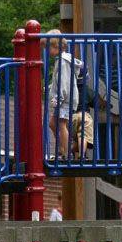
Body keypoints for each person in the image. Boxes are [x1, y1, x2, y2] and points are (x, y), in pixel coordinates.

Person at [44, 30, 79, 159]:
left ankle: (67, 153)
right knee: (52, 124)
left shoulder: (63, 62)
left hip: (65, 99)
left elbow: (64, 82)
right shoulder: (60, 60)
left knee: (61, 124)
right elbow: (58, 81)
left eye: (48, 48)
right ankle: (64, 149)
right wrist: (50, 88)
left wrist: (59, 98)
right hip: (64, 97)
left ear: (58, 46)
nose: (47, 51)